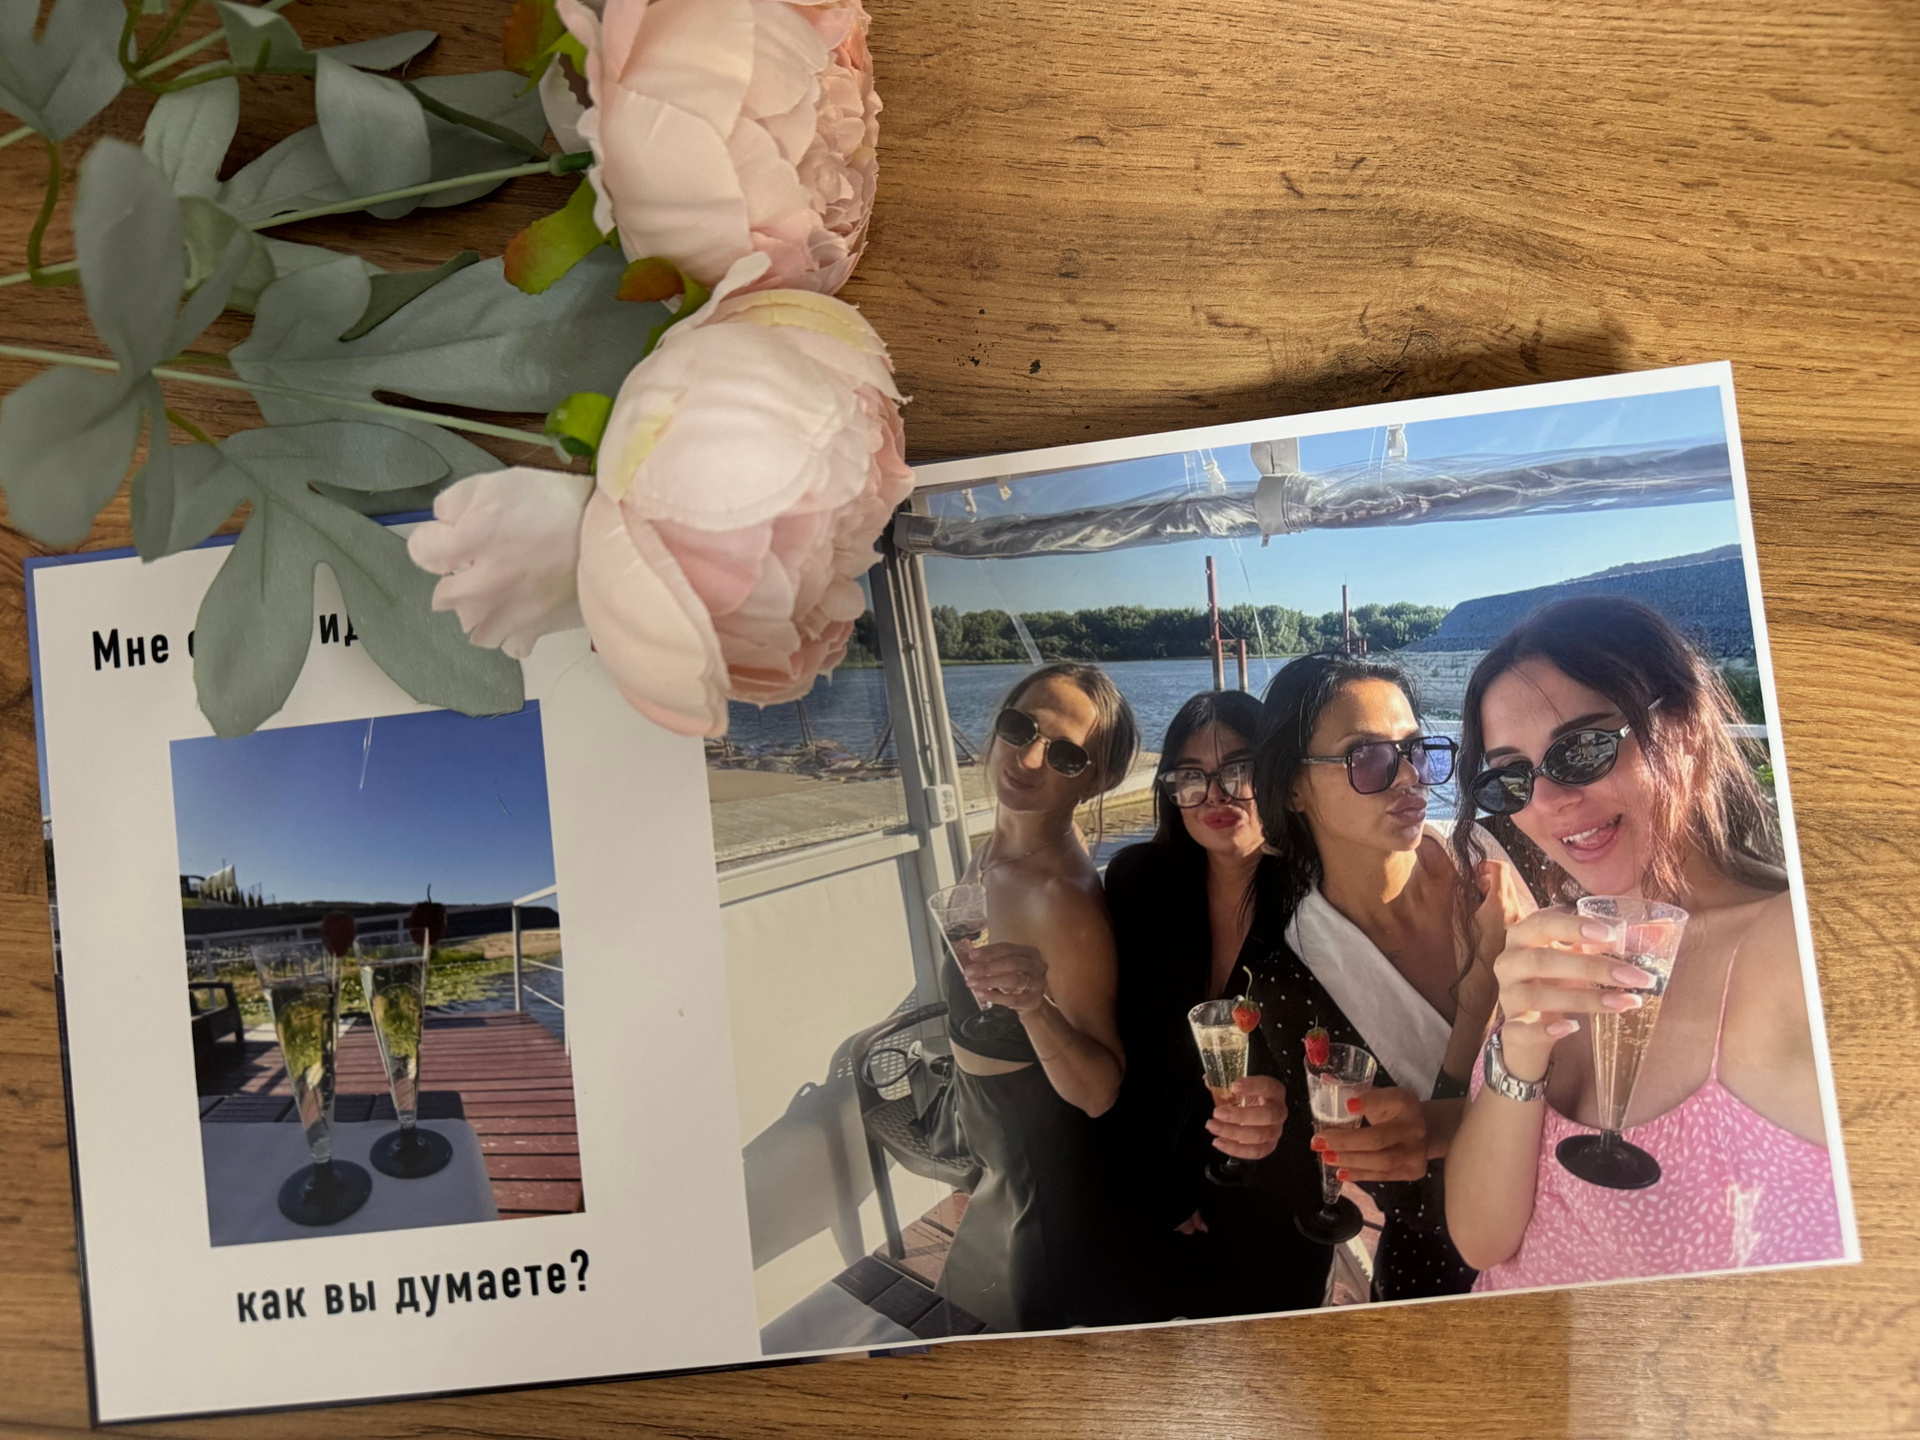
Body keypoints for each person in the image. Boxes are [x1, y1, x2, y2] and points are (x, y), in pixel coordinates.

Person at [1444, 597, 1844, 1286]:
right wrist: (1522, 1051)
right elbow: (1482, 1242)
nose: (1548, 800)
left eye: (1582, 749)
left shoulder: (1787, 948)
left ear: (1685, 731)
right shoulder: (1554, 953)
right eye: (1512, 777)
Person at [1247, 651, 1531, 1301]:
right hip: (1445, 1279)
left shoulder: (1505, 849)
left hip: (1589, 1231)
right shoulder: (1295, 984)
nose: (1409, 777)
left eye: (1416, 750)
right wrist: (1479, 999)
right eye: (1367, 756)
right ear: (1292, 788)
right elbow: (1419, 1198)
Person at [935, 661, 1140, 1332]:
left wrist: (1033, 1006)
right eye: (1019, 727)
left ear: (1096, 779)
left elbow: (1100, 1090)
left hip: (1039, 1185)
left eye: (1065, 754)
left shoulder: (1062, 899)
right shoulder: (994, 849)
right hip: (994, 1150)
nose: (1025, 758)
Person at [1100, 690, 1303, 1321]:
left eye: (1239, 770)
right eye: (1190, 777)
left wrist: (1287, 1103)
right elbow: (1117, 1048)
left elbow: (1343, 1055)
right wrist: (1158, 1186)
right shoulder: (1136, 884)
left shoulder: (1313, 901)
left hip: (1275, 1197)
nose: (1215, 796)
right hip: (1152, 1187)